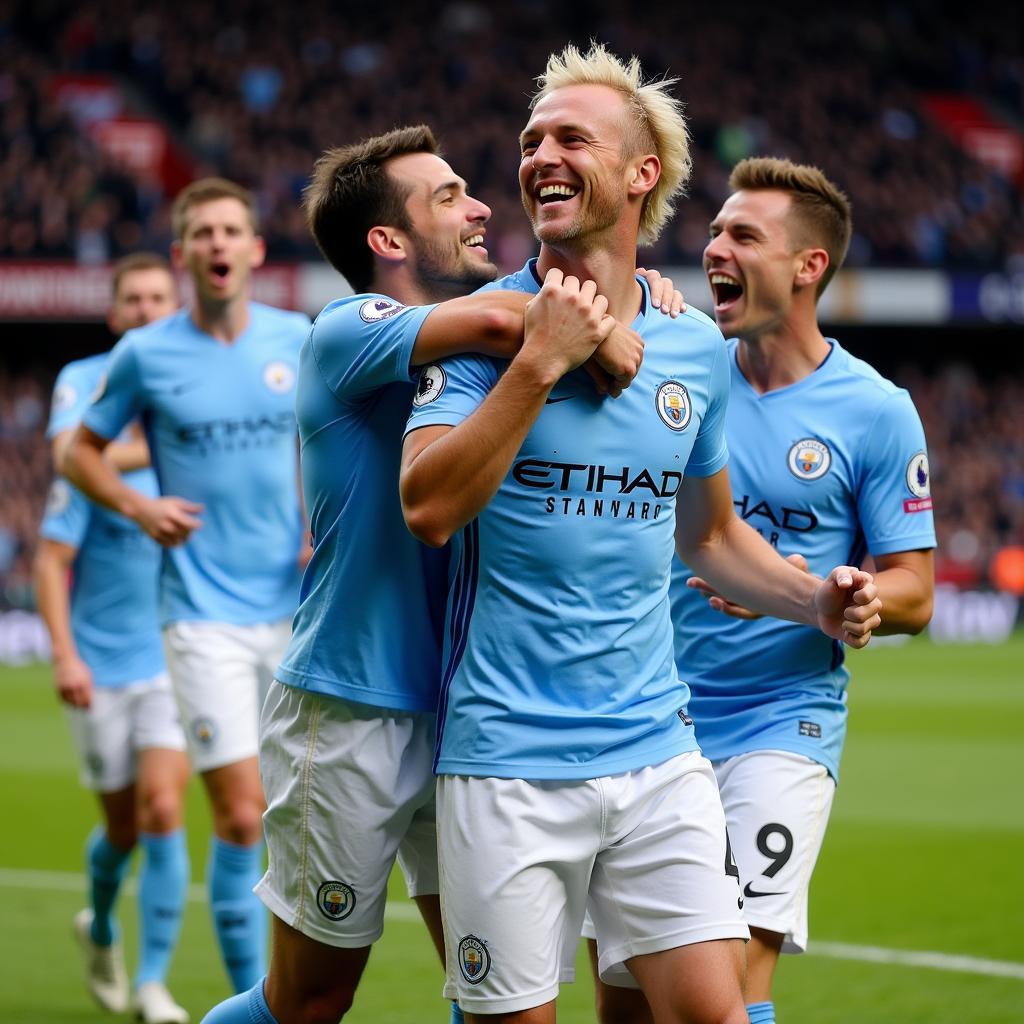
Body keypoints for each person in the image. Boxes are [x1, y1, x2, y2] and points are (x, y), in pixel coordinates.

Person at [399, 44, 883, 1024]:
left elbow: (708, 537)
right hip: (505, 759)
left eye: (571, 136)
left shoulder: (690, 345)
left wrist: (815, 596)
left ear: (641, 172)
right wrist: (538, 362)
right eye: (532, 139)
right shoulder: (480, 326)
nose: (540, 155)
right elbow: (428, 507)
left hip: (658, 753)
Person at [199, 125, 682, 1024]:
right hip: (352, 708)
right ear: (389, 241)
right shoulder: (350, 327)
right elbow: (515, 319)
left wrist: (629, 287)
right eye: (449, 196)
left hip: (469, 715)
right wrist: (612, 323)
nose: (481, 206)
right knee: (309, 1001)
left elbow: (530, 312)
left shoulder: (465, 348)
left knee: (491, 981)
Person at [661, 158, 932, 1024]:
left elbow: (916, 592)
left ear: (809, 266)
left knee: (733, 972)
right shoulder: (682, 376)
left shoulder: (876, 411)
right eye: (713, 232)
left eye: (743, 235)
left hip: (786, 718)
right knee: (632, 992)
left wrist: (846, 596)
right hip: (655, 715)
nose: (714, 249)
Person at [63, 179, 312, 995]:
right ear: (184, 254)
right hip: (200, 616)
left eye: (230, 230)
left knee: (284, 821)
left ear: (254, 249)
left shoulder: (297, 339)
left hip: (296, 615)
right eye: (200, 232)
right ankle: (256, 1003)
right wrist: (139, 506)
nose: (216, 244)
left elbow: (337, 441)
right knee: (241, 814)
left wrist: (322, 523)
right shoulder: (147, 354)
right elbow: (76, 454)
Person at [34, 253, 192, 1024]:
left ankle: (152, 983)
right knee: (123, 825)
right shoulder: (89, 379)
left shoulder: (198, 378)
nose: (145, 308)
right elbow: (69, 463)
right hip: (100, 657)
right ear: (114, 312)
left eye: (158, 297)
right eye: (131, 299)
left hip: (175, 649)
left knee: (165, 809)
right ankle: (99, 925)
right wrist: (63, 654)